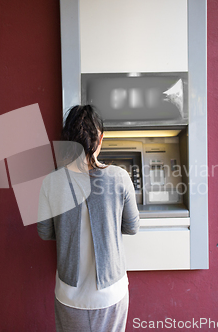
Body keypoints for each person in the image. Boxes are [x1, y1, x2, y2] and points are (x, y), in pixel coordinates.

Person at [37, 104, 140, 332]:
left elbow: (44, 231)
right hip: (111, 292)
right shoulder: (120, 177)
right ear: (100, 138)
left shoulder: (51, 182)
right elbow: (132, 226)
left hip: (69, 295)